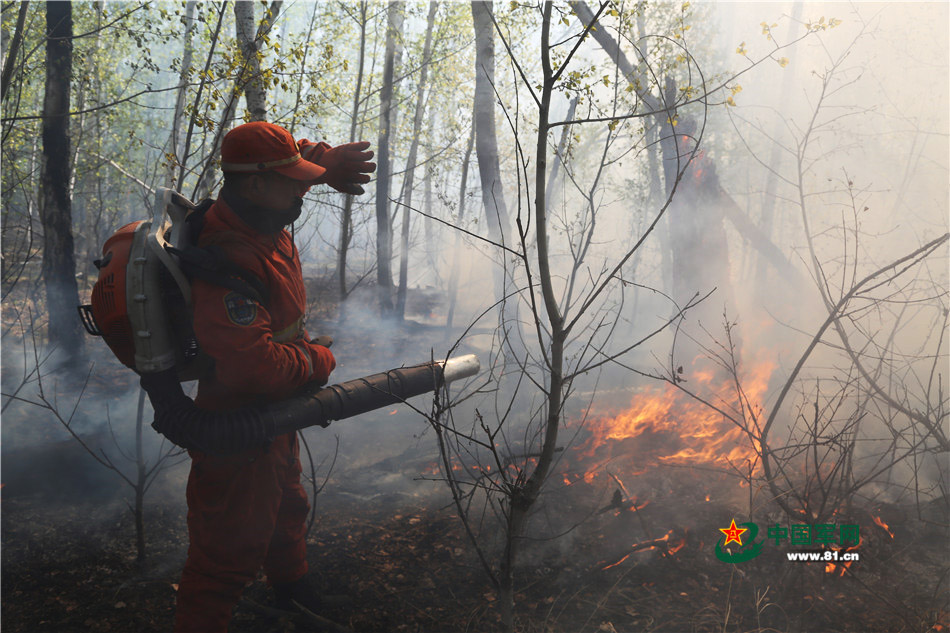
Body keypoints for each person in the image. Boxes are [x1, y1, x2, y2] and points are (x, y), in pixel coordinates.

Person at [173, 121, 375, 633]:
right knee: (225, 553)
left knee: (288, 507)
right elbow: (253, 367)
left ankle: (294, 594)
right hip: (238, 426)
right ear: (257, 185)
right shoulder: (228, 259)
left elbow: (285, 164)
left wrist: (320, 160)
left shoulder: (261, 209)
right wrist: (317, 361)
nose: (302, 189)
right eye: (294, 180)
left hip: (272, 418)